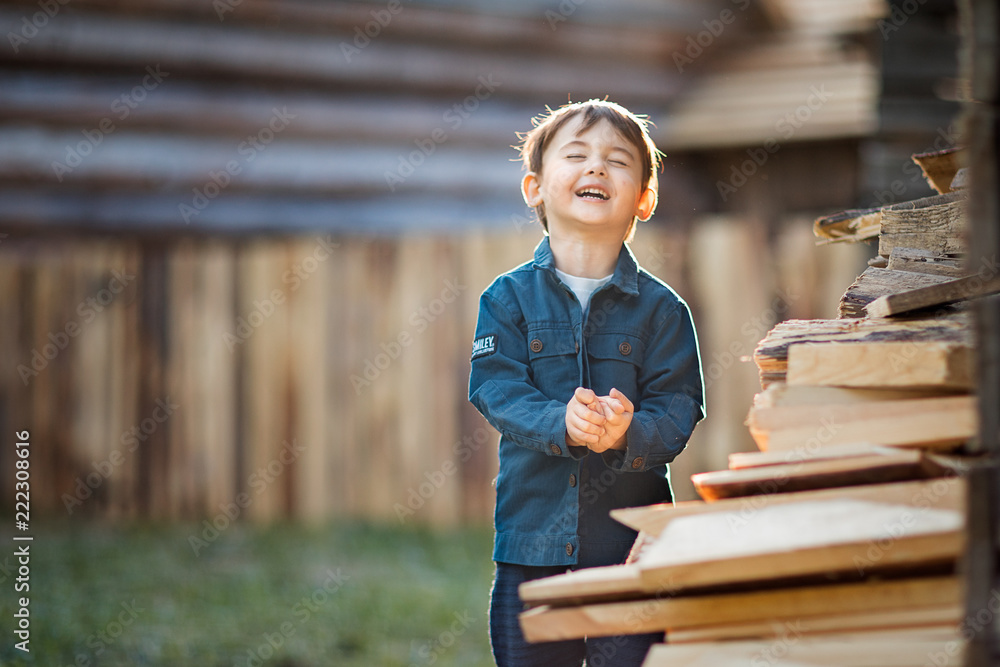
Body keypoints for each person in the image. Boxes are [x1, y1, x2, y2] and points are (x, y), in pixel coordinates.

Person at [468, 99, 706, 666]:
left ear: (644, 199)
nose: (596, 167)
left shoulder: (663, 311)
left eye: (617, 160)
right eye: (576, 155)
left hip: (628, 550)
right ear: (535, 188)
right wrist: (562, 422)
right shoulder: (506, 299)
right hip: (531, 545)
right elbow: (494, 387)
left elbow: (681, 405)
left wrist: (630, 432)